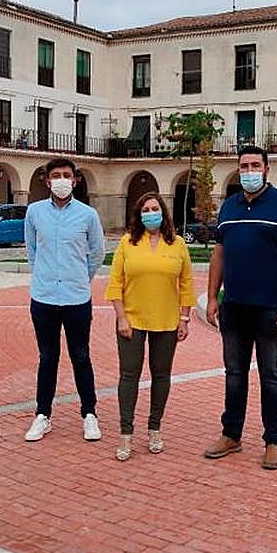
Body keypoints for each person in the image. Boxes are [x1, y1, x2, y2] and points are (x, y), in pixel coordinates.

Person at [204, 145, 277, 470]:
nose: (249, 171)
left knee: (271, 376)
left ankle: (273, 441)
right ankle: (231, 434)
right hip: (234, 307)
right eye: (244, 166)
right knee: (234, 375)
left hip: (270, 309)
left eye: (255, 165)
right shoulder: (228, 206)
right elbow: (219, 255)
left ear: (266, 169)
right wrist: (212, 297)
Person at [104, 192, 196, 461]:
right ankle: (126, 433)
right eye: (145, 210)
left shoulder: (177, 244)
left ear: (163, 212)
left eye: (155, 209)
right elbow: (115, 282)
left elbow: (186, 283)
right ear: (138, 215)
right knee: (128, 375)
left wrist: (184, 318)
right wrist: (121, 318)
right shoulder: (127, 242)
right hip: (131, 321)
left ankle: (155, 428)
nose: (150, 213)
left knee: (161, 375)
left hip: (167, 321)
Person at [23, 157, 106, 442]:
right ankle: (42, 415)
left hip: (76, 298)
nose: (61, 180)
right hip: (44, 297)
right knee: (47, 358)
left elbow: (97, 252)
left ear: (75, 180)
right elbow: (32, 250)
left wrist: (81, 277)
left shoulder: (87, 215)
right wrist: (44, 274)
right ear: (47, 181)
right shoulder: (34, 212)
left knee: (81, 356)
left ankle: (89, 414)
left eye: (66, 175)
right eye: (55, 175)